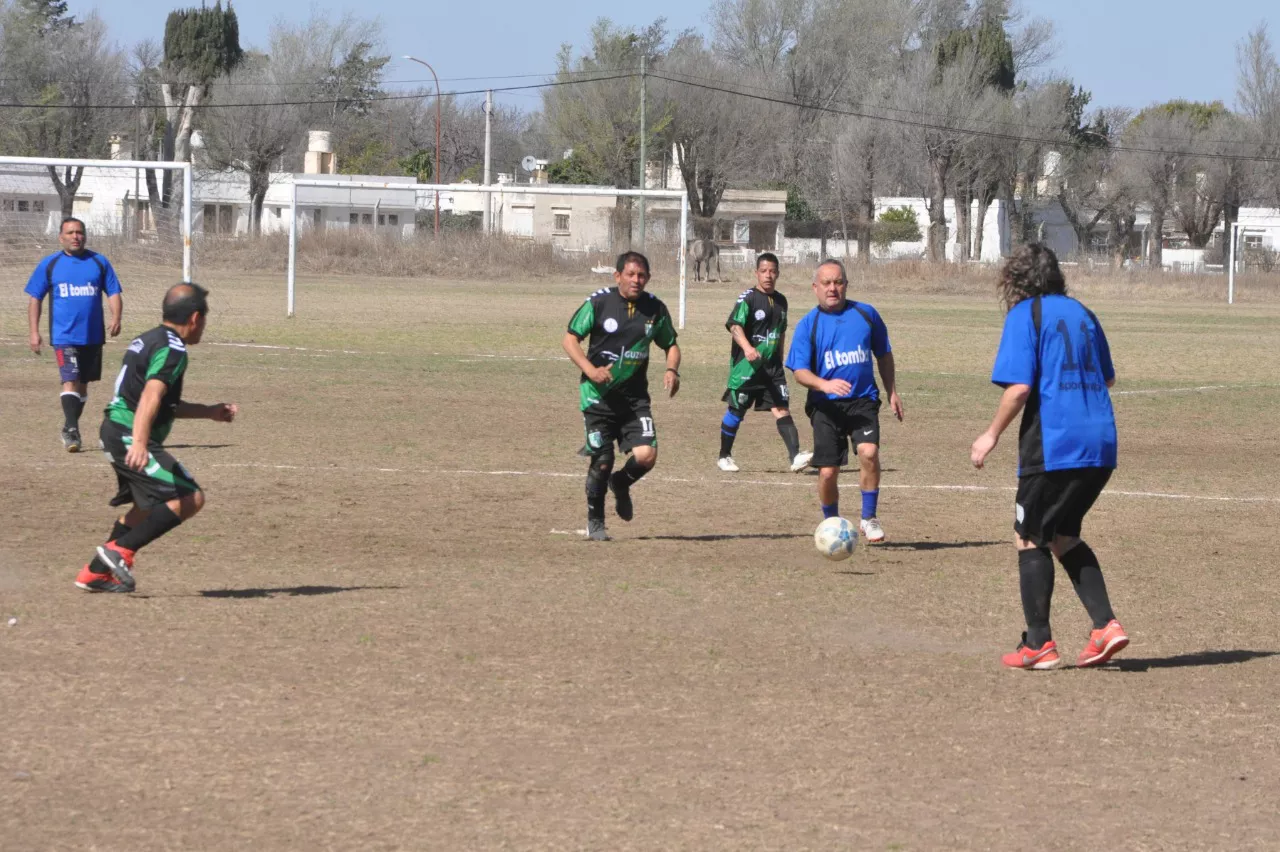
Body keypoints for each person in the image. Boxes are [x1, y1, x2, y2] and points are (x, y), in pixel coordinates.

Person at [970, 243, 1128, 670]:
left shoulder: (1025, 315)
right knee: (1062, 536)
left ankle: (1039, 643)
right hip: (1101, 444)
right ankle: (1106, 627)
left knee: (1029, 536)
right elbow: (1108, 378)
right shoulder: (1084, 313)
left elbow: (1019, 388)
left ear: (1015, 281)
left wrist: (990, 435)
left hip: (1056, 443)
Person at [76, 283, 239, 593]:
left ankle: (95, 573)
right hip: (127, 434)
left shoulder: (148, 339)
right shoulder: (174, 349)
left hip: (116, 430)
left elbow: (164, 404)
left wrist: (209, 412)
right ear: (194, 318)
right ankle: (119, 552)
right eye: (204, 319)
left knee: (146, 509)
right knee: (190, 498)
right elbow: (151, 395)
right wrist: (138, 441)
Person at [563, 251, 681, 542]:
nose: (636, 280)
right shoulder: (599, 303)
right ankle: (596, 523)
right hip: (597, 398)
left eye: (641, 275)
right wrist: (590, 370)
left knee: (647, 456)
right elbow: (569, 339)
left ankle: (621, 482)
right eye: (630, 274)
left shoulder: (655, 309)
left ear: (648, 278)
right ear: (618, 276)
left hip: (634, 400)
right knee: (602, 461)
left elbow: (671, 345)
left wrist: (671, 369)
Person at [785, 259, 903, 543]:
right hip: (825, 406)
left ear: (846, 285)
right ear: (815, 288)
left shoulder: (866, 315)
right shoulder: (808, 325)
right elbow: (800, 371)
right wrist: (825, 384)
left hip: (863, 400)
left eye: (838, 282)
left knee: (869, 453)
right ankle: (831, 524)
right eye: (826, 283)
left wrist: (892, 392)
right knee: (828, 472)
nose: (832, 288)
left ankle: (869, 517)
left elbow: (883, 355)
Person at [25, 217, 124, 452]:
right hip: (64, 336)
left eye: (79, 232)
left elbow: (113, 292)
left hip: (93, 336)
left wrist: (117, 317)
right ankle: (72, 430)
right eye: (70, 232)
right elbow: (35, 298)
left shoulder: (99, 262)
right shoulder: (50, 264)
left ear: (85, 236)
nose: (75, 236)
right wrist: (34, 332)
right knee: (70, 379)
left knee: (82, 386)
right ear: (61, 237)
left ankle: (70, 426)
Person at [717, 252, 813, 474]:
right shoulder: (747, 298)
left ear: (777, 273)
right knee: (737, 410)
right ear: (756, 273)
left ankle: (795, 456)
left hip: (772, 368)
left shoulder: (782, 301)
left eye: (772, 271)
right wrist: (748, 348)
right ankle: (724, 456)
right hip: (747, 367)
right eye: (763, 271)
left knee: (781, 408)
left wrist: (781, 359)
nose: (768, 275)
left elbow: (780, 333)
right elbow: (734, 326)